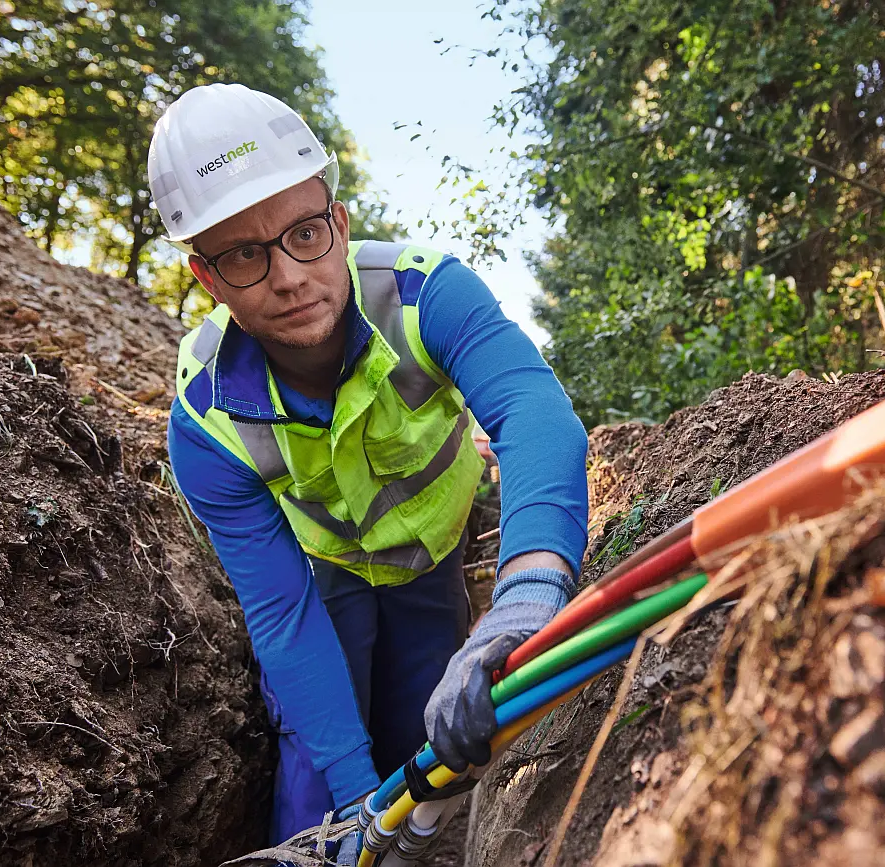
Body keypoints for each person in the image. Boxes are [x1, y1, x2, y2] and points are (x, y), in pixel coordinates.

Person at [148, 83, 588, 849]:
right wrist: (354, 804)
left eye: (305, 234)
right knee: (320, 774)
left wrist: (526, 597)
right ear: (207, 279)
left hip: (434, 561)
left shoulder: (425, 296)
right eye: (246, 255)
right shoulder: (203, 415)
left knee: (437, 743)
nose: (288, 276)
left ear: (339, 222)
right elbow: (281, 613)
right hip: (330, 579)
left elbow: (535, 412)